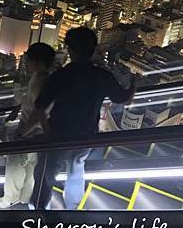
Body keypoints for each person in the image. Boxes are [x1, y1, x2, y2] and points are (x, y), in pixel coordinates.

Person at [28, 27, 136, 210]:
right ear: (93, 49)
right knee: (77, 168)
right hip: (87, 135)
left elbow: (40, 106)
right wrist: (134, 82)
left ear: (69, 49)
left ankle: (38, 213)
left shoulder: (61, 75)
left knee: (46, 174)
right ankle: (74, 208)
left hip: (59, 135)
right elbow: (123, 98)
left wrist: (48, 132)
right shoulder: (102, 76)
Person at [0, 43, 55, 209]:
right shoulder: (43, 77)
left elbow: (38, 115)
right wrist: (17, 109)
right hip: (37, 132)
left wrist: (21, 134)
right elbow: (31, 100)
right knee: (30, 166)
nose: (26, 63)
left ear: (40, 62)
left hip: (30, 130)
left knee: (15, 165)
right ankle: (25, 198)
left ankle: (10, 199)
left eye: (29, 60)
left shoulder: (41, 84)